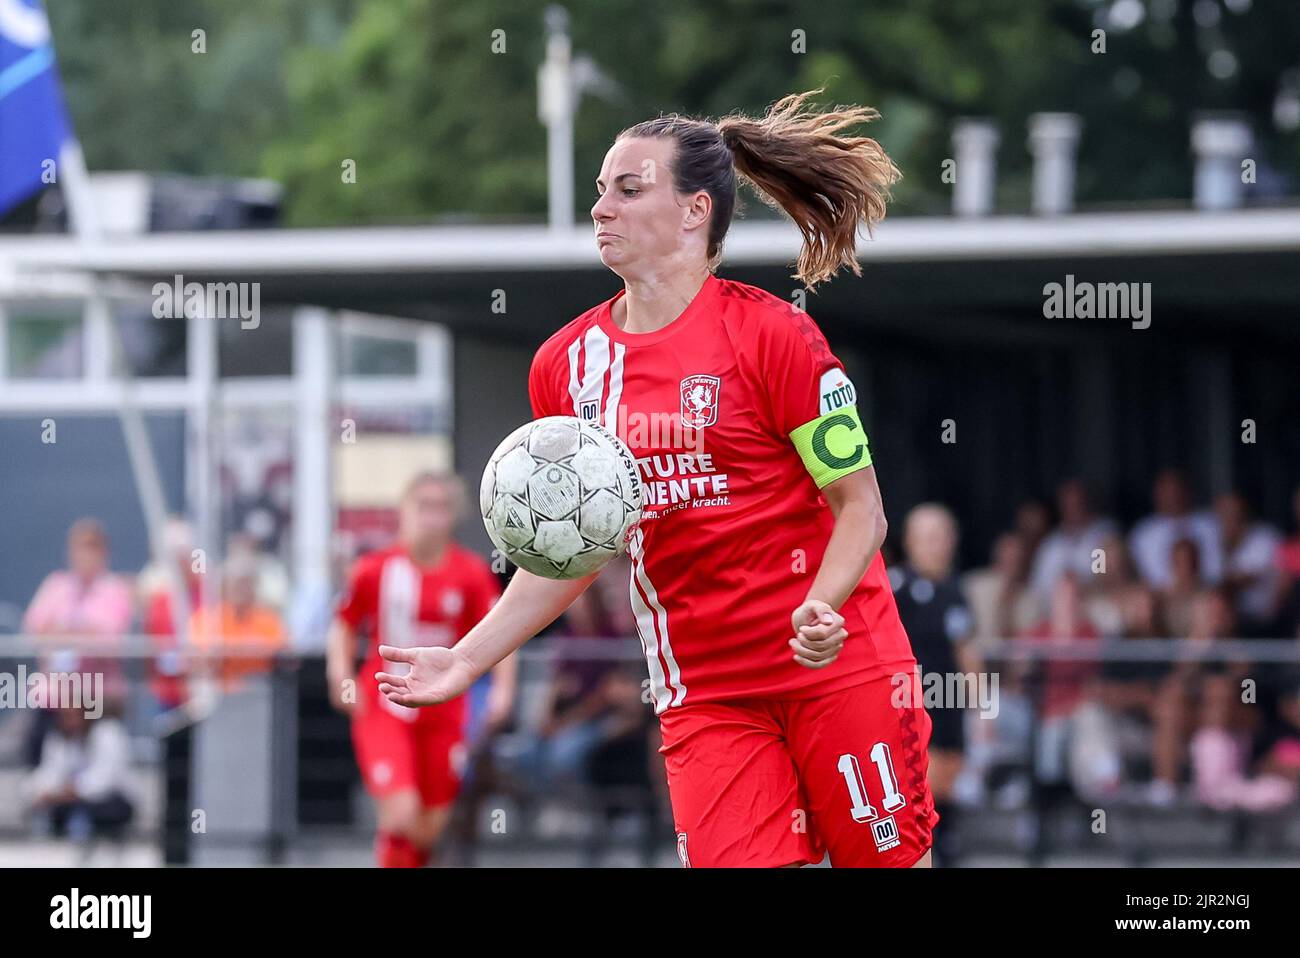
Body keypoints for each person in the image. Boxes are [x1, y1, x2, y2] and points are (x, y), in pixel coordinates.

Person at [377, 91, 938, 868]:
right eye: (602, 188)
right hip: (705, 692)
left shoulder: (775, 335)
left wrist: (823, 603)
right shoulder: (565, 367)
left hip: (838, 667)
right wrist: (468, 659)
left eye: (628, 188)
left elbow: (863, 512)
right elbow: (564, 557)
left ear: (693, 210)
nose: (601, 206)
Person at [326, 471, 517, 868]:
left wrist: (503, 690)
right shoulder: (374, 569)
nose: (432, 516)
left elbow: (501, 627)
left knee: (429, 827)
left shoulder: (470, 573)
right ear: (404, 511)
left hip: (445, 709)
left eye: (441, 507)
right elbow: (344, 625)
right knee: (401, 813)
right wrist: (341, 677)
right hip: (385, 704)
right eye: (423, 505)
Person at [890, 504, 980, 865]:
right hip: (904, 706)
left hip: (948, 704)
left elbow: (967, 651)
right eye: (927, 537)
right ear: (910, 542)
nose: (936, 545)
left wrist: (982, 709)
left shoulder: (955, 592)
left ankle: (945, 848)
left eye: (941, 536)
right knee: (915, 789)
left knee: (945, 791)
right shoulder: (894, 587)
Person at [22, 705, 134, 842]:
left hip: (111, 801)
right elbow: (50, 771)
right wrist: (43, 791)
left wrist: (75, 790)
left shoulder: (107, 733)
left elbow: (105, 778)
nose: (70, 721)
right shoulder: (59, 738)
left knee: (94, 809)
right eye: (65, 716)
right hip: (71, 800)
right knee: (47, 807)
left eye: (74, 715)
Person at [187, 554, 288, 692]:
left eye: (248, 584)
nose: (243, 590)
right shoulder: (207, 620)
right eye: (238, 584)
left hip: (262, 692)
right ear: (224, 586)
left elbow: (282, 652)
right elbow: (202, 656)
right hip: (219, 694)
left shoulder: (269, 619)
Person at [1028, 479, 1118, 604]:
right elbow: (1039, 585)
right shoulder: (1051, 544)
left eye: (1078, 503)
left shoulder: (1101, 535)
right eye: (1068, 504)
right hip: (1055, 609)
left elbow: (1102, 574)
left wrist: (1079, 583)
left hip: (1093, 605)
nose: (1074, 509)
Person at [1128, 468, 1221, 588]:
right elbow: (1138, 577)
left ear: (1188, 491)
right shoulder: (1143, 532)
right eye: (1166, 490)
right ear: (1156, 493)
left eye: (1176, 489)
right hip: (1158, 599)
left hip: (1205, 594)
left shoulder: (1210, 525)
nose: (1172, 496)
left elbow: (1218, 572)